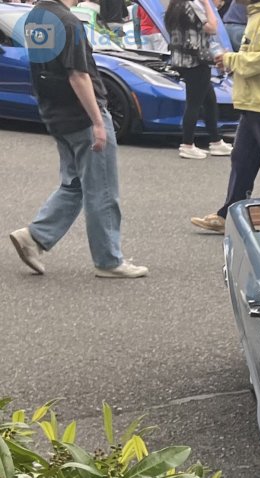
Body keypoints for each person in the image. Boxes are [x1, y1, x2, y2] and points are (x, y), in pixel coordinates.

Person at [9, 0, 147, 277]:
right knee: (103, 190)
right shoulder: (69, 23)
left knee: (74, 184)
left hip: (56, 114)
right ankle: (109, 260)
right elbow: (78, 75)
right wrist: (98, 121)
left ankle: (35, 236)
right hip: (82, 115)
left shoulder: (37, 17)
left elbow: (44, 69)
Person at [189, 0, 260, 234]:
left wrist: (231, 60)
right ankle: (227, 215)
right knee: (242, 160)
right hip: (256, 101)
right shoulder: (256, 14)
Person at [165, 0, 229, 160]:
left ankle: (216, 141)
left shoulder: (175, 6)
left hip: (181, 59)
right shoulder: (193, 5)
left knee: (209, 100)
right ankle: (187, 144)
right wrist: (207, 3)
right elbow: (212, 27)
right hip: (196, 60)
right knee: (194, 103)